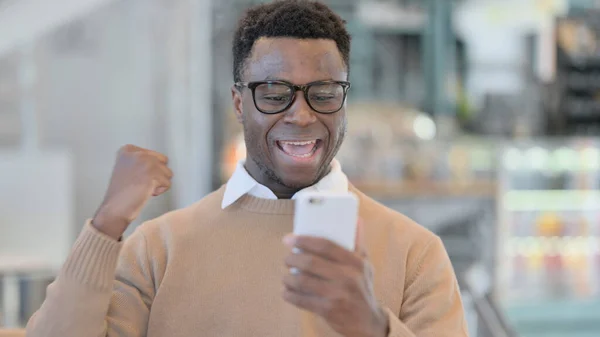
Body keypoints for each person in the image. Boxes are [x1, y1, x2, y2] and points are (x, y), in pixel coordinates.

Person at [26, 1, 468, 336]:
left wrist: (372, 326)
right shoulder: (159, 248)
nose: (301, 115)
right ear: (239, 103)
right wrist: (105, 226)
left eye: (325, 92)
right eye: (275, 93)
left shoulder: (415, 254)